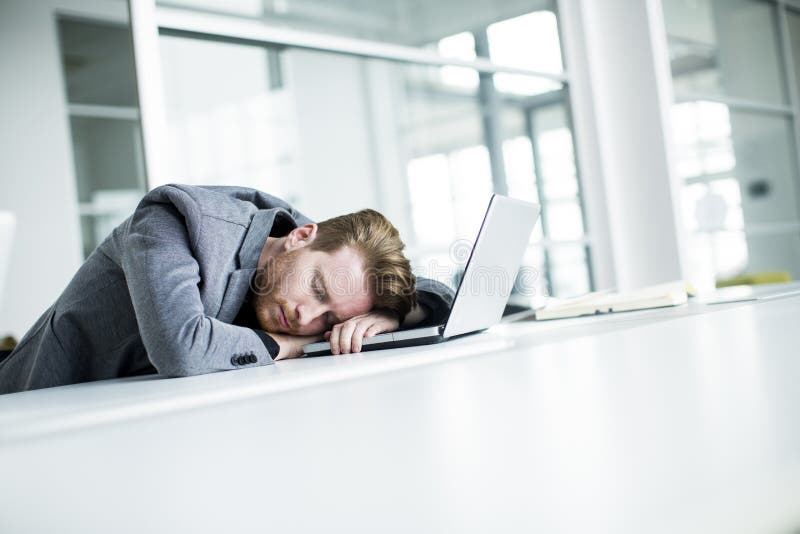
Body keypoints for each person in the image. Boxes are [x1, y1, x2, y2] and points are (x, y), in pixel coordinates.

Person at [0, 184, 453, 394]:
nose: (306, 318)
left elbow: (441, 295)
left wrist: (385, 317)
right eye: (316, 289)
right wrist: (297, 345)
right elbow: (181, 348)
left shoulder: (322, 252)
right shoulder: (173, 219)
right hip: (34, 404)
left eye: (331, 318)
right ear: (300, 235)